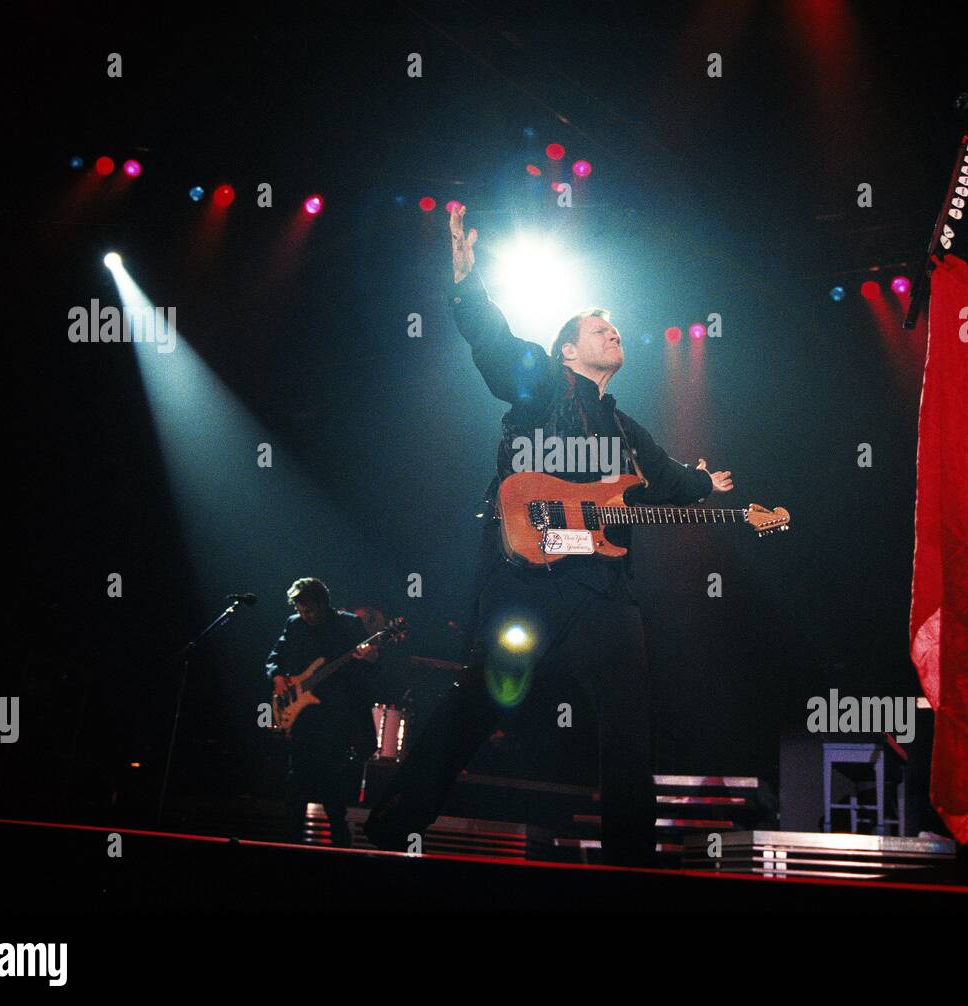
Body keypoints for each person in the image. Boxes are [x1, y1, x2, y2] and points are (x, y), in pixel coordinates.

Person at [364, 206, 735, 866]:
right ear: (568, 350)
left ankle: (629, 865)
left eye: (616, 326)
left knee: (628, 731)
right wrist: (463, 277)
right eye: (598, 327)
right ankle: (394, 823)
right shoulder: (541, 385)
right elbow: (493, 342)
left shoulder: (628, 432)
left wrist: (706, 485)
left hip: (601, 597)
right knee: (477, 707)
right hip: (527, 583)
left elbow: (671, 478)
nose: (613, 331)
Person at [266, 577, 374, 846]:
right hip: (302, 713)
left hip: (336, 712)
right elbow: (274, 657)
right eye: (301, 610)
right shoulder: (294, 624)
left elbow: (370, 664)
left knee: (331, 775)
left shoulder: (348, 623)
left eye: (310, 610)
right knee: (297, 777)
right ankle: (290, 838)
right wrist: (277, 675)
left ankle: (340, 837)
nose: (306, 615)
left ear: (324, 604)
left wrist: (369, 656)